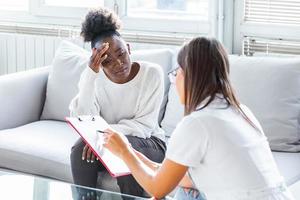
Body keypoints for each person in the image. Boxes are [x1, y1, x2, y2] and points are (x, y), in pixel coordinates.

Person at [102, 37, 295, 200]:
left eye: (176, 73)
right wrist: (135, 156)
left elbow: (158, 188)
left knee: (184, 193)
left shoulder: (197, 124)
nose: (175, 79)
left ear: (187, 76)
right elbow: (182, 177)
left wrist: (124, 151)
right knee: (188, 188)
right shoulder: (240, 111)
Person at [69, 7, 166, 198]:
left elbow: (144, 127)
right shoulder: (92, 78)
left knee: (124, 149)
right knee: (80, 148)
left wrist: (103, 136)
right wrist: (90, 75)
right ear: (99, 63)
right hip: (108, 142)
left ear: (129, 48)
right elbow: (83, 119)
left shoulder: (152, 74)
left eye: (121, 54)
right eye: (108, 61)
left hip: (150, 143)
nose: (119, 64)